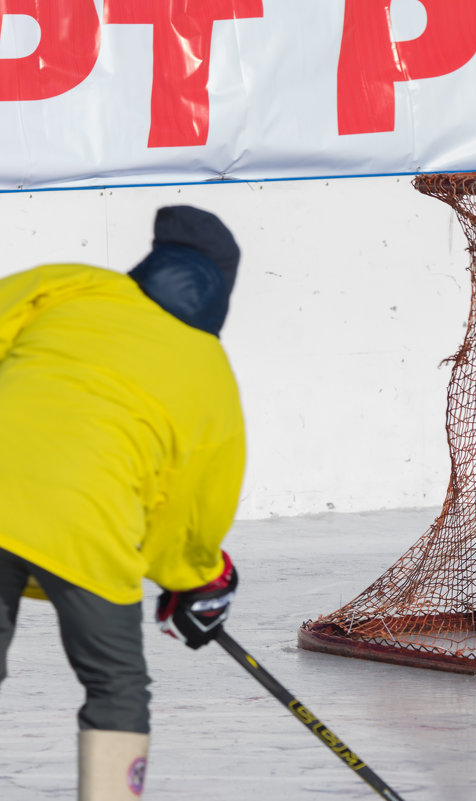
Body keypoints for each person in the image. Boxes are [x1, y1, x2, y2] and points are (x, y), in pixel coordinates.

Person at [0, 206, 247, 799]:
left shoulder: (65, 286)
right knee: (115, 685)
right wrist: (198, 581)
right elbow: (190, 513)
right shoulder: (209, 375)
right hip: (87, 528)